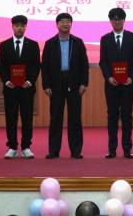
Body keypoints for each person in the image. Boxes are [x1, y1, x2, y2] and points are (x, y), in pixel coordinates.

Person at [41, 13, 90, 159]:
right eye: (62, 21)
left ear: (71, 24)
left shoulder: (78, 42)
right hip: (56, 84)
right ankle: (53, 150)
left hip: (74, 83)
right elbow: (45, 67)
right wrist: (46, 85)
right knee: (55, 117)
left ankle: (76, 150)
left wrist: (84, 83)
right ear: (57, 24)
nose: (65, 24)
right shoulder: (50, 43)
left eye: (68, 21)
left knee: (75, 118)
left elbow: (84, 64)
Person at [99, 7, 133, 159]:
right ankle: (112, 149)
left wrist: (132, 77)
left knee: (127, 116)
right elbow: (103, 61)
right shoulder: (105, 39)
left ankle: (127, 149)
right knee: (112, 116)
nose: (117, 22)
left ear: (124, 20)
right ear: (110, 21)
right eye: (114, 19)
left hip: (128, 84)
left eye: (119, 19)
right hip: (111, 84)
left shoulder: (132, 37)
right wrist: (108, 77)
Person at [0, 15, 41, 159]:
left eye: (22, 25)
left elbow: (36, 66)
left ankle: (26, 147)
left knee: (27, 118)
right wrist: (6, 81)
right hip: (10, 88)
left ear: (25, 27)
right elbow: (1, 66)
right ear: (12, 27)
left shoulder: (33, 44)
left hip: (27, 88)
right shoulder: (4, 45)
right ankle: (12, 147)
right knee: (11, 118)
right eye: (17, 25)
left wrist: (30, 81)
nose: (20, 28)